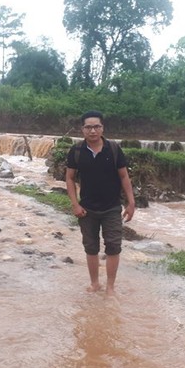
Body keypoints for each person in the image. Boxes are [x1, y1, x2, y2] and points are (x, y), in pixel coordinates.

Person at [65, 110, 136, 295]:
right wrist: (75, 204)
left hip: (112, 207)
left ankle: (110, 287)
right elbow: (70, 178)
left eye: (96, 126)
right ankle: (95, 283)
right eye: (88, 127)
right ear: (82, 129)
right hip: (87, 209)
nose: (93, 131)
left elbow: (124, 176)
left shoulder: (113, 149)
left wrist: (131, 202)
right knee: (91, 247)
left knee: (113, 247)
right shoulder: (77, 151)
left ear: (102, 128)